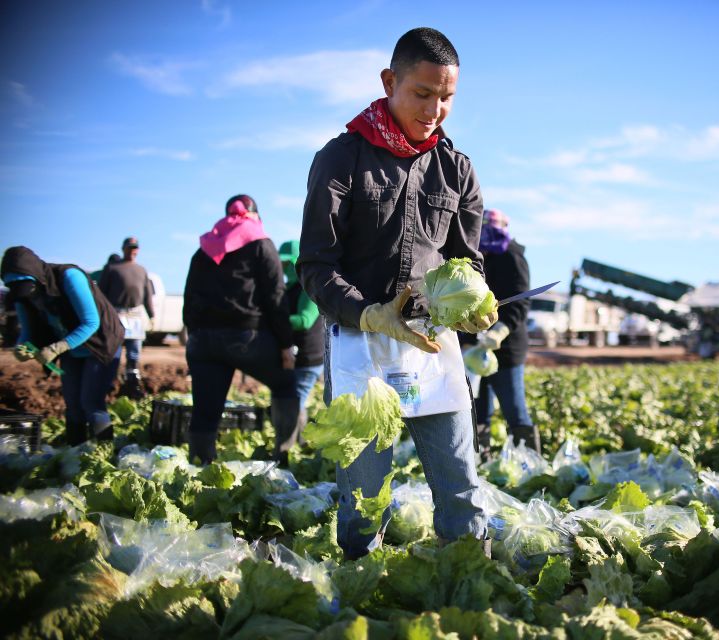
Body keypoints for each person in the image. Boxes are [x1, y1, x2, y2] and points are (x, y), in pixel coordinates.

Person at [298, 27, 497, 559]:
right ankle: (361, 587)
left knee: (460, 485)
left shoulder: (457, 169)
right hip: (361, 342)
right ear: (390, 82)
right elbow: (316, 266)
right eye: (423, 93)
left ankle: (469, 580)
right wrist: (370, 314)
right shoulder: (341, 159)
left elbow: (468, 262)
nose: (435, 109)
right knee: (364, 497)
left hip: (431, 345)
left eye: (447, 97)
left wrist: (473, 301)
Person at [182, 194, 299, 465]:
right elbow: (276, 298)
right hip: (247, 338)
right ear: (255, 216)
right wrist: (285, 345)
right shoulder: (260, 243)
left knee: (205, 410)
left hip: (203, 341)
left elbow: (190, 299)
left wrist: (194, 339)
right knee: (285, 384)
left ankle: (200, 469)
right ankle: (284, 455)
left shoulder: (204, 249)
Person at [1, 246, 124, 445]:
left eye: (28, 288)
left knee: (91, 402)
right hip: (70, 347)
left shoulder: (69, 277)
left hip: (100, 343)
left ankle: (105, 453)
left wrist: (56, 348)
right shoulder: (22, 297)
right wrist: (21, 347)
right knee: (73, 403)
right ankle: (75, 451)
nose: (29, 296)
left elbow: (91, 322)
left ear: (36, 277)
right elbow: (28, 331)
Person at [463, 208, 539, 460]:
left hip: (506, 350)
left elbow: (520, 302)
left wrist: (501, 330)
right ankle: (480, 462)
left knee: (514, 408)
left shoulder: (513, 257)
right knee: (476, 408)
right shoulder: (472, 256)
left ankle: (529, 463)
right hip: (475, 348)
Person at [278, 239, 326, 438]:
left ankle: (291, 448)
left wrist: (275, 321)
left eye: (287, 263)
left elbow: (305, 320)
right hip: (296, 357)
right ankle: (301, 443)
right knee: (295, 402)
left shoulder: (309, 288)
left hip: (309, 357)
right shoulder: (289, 289)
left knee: (294, 403)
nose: (282, 268)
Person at [98, 237, 154, 397]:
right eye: (130, 248)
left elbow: (147, 295)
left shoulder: (141, 270)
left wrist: (151, 315)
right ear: (123, 249)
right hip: (116, 315)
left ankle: (132, 381)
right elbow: (101, 294)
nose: (132, 251)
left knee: (134, 351)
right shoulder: (112, 268)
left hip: (135, 315)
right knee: (114, 350)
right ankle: (109, 381)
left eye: (135, 248)